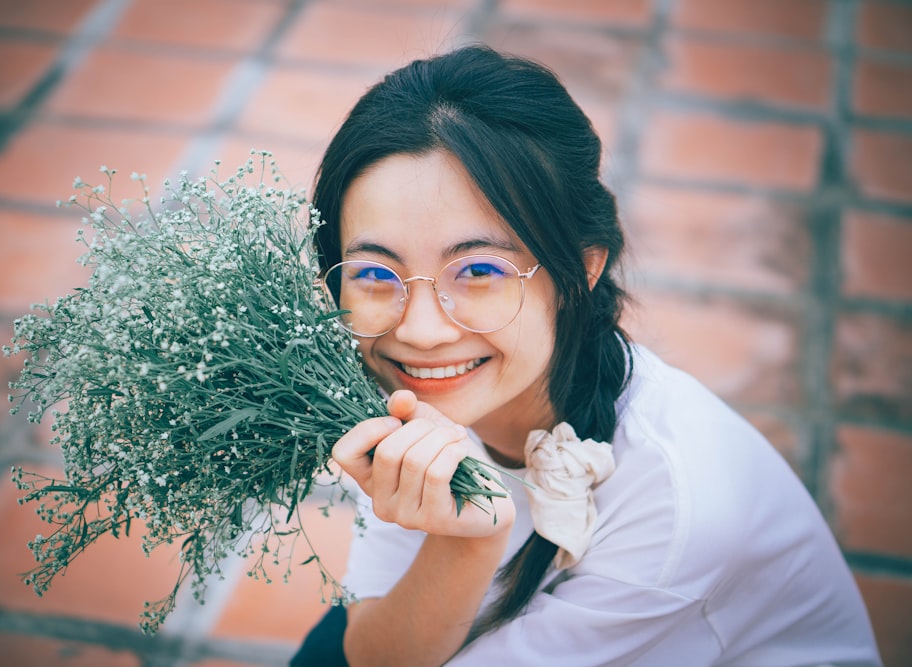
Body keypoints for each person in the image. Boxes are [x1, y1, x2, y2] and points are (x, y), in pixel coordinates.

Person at [290, 45, 881, 667]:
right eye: (376, 273)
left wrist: (471, 540)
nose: (422, 331)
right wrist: (465, 543)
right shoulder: (407, 399)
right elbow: (380, 655)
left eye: (481, 269)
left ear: (580, 270)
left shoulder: (678, 506)